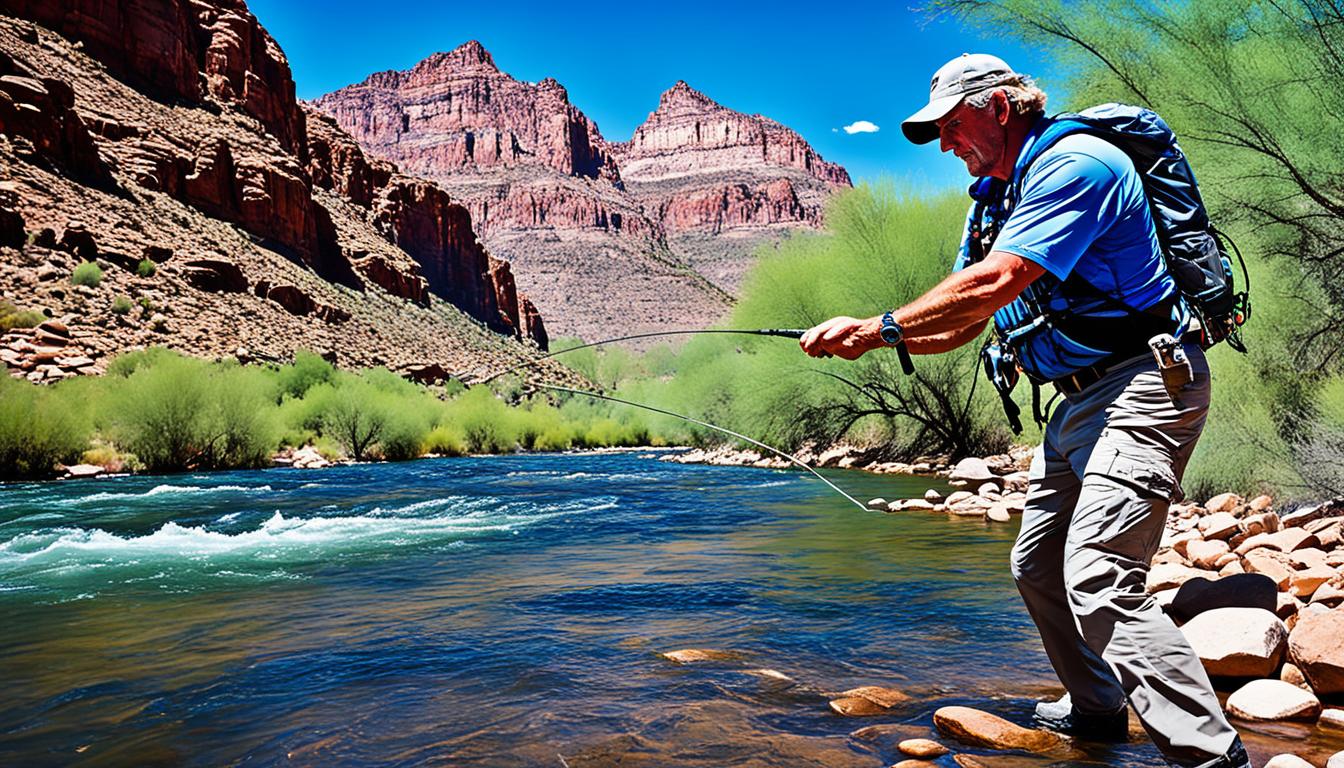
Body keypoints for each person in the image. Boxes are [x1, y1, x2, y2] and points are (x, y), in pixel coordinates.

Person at [799, 53, 1250, 768]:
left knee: (1100, 571)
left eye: (952, 125)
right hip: (1077, 400)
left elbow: (997, 281)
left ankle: (1210, 755)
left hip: (1145, 382)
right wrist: (876, 339)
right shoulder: (994, 198)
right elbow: (968, 320)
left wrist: (879, 325)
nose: (946, 144)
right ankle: (1099, 705)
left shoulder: (1079, 165)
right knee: (1037, 563)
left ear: (1000, 107)